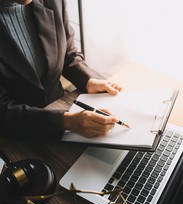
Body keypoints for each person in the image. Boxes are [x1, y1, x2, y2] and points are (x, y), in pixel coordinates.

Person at [0, 0, 121, 140]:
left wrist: (88, 80)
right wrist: (67, 121)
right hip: (17, 134)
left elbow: (67, 53)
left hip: (62, 109)